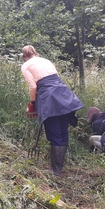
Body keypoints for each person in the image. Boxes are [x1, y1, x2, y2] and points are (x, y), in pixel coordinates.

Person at [21, 45, 84, 175]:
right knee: (63, 130)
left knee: (54, 133)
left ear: (24, 57)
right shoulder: (46, 61)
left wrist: (33, 102)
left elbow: (33, 86)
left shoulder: (26, 65)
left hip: (49, 98)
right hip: (63, 94)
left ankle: (56, 170)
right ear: (36, 53)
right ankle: (59, 166)